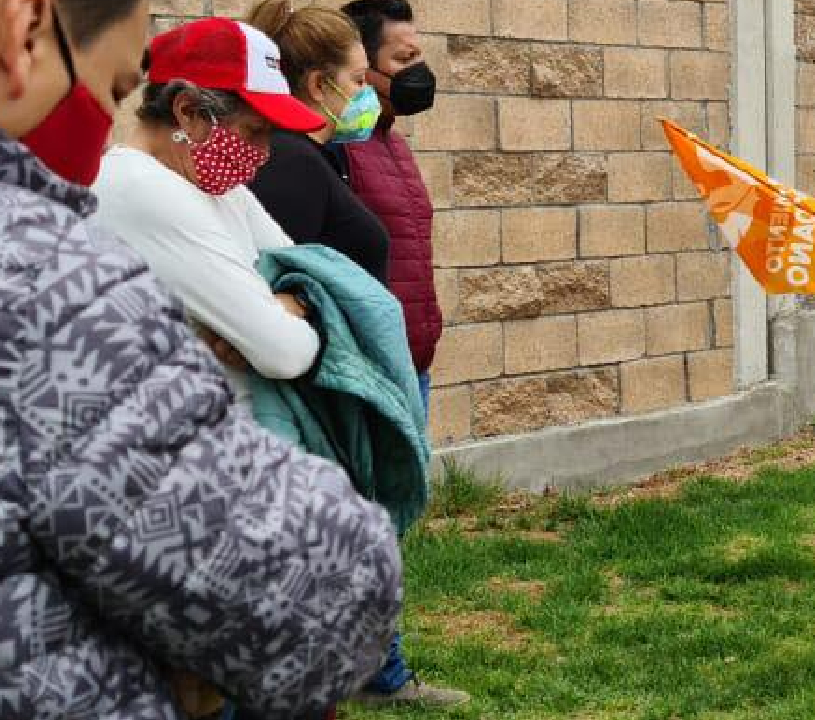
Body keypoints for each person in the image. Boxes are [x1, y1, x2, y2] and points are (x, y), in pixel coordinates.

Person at [0, 1, 401, 718]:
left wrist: (288, 302)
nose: (105, 126)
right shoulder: (42, 273)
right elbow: (324, 599)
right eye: (108, 89)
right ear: (23, 28)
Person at [248, 1, 467, 707]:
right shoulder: (324, 151)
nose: (414, 73)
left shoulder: (385, 141)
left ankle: (372, 668)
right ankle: (368, 673)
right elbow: (289, 271)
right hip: (352, 374)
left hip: (406, 357)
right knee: (351, 532)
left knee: (377, 530)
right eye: (398, 61)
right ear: (337, 77)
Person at [93, 17, 326, 407]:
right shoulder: (141, 188)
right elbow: (285, 352)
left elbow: (314, 276)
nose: (266, 152)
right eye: (255, 130)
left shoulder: (219, 190)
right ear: (187, 111)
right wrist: (286, 309)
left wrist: (294, 303)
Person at [340, 0, 442, 420]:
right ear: (363, 67)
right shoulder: (336, 149)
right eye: (403, 58)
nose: (418, 70)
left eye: (418, 55)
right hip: (369, 367)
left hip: (414, 360)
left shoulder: (394, 144)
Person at [246, 0, 391, 285]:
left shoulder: (311, 155)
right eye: (359, 80)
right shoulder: (292, 161)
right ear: (319, 86)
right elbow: (279, 277)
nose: (368, 94)